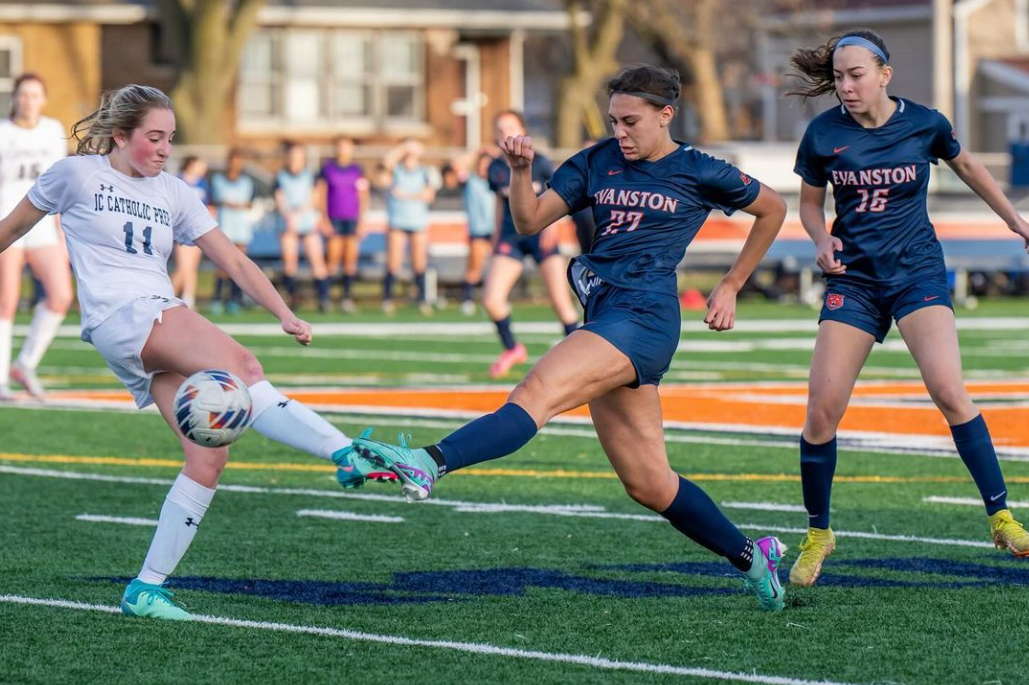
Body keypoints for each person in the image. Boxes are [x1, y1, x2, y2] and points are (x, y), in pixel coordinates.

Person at [349, 66, 792, 611]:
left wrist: (731, 284)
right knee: (650, 484)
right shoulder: (597, 160)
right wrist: (519, 172)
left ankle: (429, 460)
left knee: (536, 391)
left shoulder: (699, 168)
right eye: (614, 121)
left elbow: (773, 208)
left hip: (645, 317)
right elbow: (530, 220)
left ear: (665, 115)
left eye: (631, 121)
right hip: (606, 314)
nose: (621, 132)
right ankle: (753, 556)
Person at [0, 84, 388, 621]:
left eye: (170, 139)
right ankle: (345, 452)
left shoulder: (174, 192)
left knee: (209, 454)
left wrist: (283, 312)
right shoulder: (76, 175)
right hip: (127, 315)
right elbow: (12, 229)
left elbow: (233, 261)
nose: (164, 149)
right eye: (153, 137)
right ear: (120, 136)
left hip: (144, 324)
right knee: (245, 367)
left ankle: (146, 588)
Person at [785, 30, 1029, 587]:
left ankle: (1002, 517)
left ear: (884, 74)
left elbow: (968, 168)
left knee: (949, 391)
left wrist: (1016, 222)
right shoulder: (823, 133)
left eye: (856, 75)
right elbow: (808, 202)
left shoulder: (925, 123)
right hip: (856, 280)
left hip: (917, 273)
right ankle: (819, 532)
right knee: (821, 411)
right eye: (839, 77)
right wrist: (820, 239)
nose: (845, 86)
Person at [483, 110, 580, 378]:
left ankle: (579, 356)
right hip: (511, 237)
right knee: (492, 299)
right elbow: (500, 205)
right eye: (500, 129)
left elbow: (559, 196)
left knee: (561, 302)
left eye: (510, 127)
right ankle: (512, 348)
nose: (505, 134)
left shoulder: (541, 162)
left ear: (523, 130)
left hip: (542, 235)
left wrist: (555, 227)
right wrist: (494, 239)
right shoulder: (495, 168)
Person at [0, 73, 72, 401]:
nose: (28, 101)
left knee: (60, 296)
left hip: (43, 226)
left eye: (35, 95)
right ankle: (0, 379)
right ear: (15, 98)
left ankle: (25, 364)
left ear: (44, 99)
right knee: (7, 303)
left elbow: (63, 183)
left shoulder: (54, 131)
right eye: (23, 95)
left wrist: (63, 231)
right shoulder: (3, 133)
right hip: (8, 224)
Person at [381, 139, 436, 315]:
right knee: (393, 263)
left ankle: (422, 299)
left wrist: (404, 195)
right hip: (397, 222)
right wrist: (404, 146)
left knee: (420, 264)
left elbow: (428, 195)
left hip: (417, 223)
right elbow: (385, 163)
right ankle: (388, 299)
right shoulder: (396, 170)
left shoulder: (425, 172)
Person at [276, 141, 329, 312]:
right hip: (289, 224)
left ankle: (323, 299)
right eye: (292, 156)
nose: (294, 160)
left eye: (298, 157)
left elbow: (315, 199)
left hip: (307, 223)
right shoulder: (280, 177)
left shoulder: (311, 175)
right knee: (290, 263)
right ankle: (292, 299)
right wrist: (288, 215)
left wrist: (300, 213)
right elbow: (280, 199)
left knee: (317, 261)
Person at [319, 137, 369, 314]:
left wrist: (363, 220)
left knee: (350, 261)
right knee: (332, 259)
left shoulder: (357, 170)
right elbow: (322, 194)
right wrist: (324, 219)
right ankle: (325, 298)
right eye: (341, 146)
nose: (344, 149)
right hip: (334, 218)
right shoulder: (328, 169)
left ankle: (346, 298)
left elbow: (363, 195)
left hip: (352, 219)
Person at [209, 148, 255, 314]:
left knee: (239, 266)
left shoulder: (247, 182)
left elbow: (250, 203)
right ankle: (217, 299)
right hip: (225, 226)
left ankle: (235, 299)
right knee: (223, 265)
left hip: (241, 227)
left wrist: (240, 205)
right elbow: (214, 200)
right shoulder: (218, 180)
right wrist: (226, 203)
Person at [169, 155, 209, 310]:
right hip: (181, 229)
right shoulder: (178, 180)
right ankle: (171, 298)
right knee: (183, 267)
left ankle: (186, 298)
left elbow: (208, 205)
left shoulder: (202, 183)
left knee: (191, 267)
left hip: (197, 229)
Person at [460, 150, 496, 315]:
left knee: (496, 268)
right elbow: (457, 165)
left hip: (495, 231)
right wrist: (479, 151)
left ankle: (493, 299)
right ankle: (467, 299)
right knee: (474, 267)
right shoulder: (471, 181)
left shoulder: (496, 182)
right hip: (478, 231)